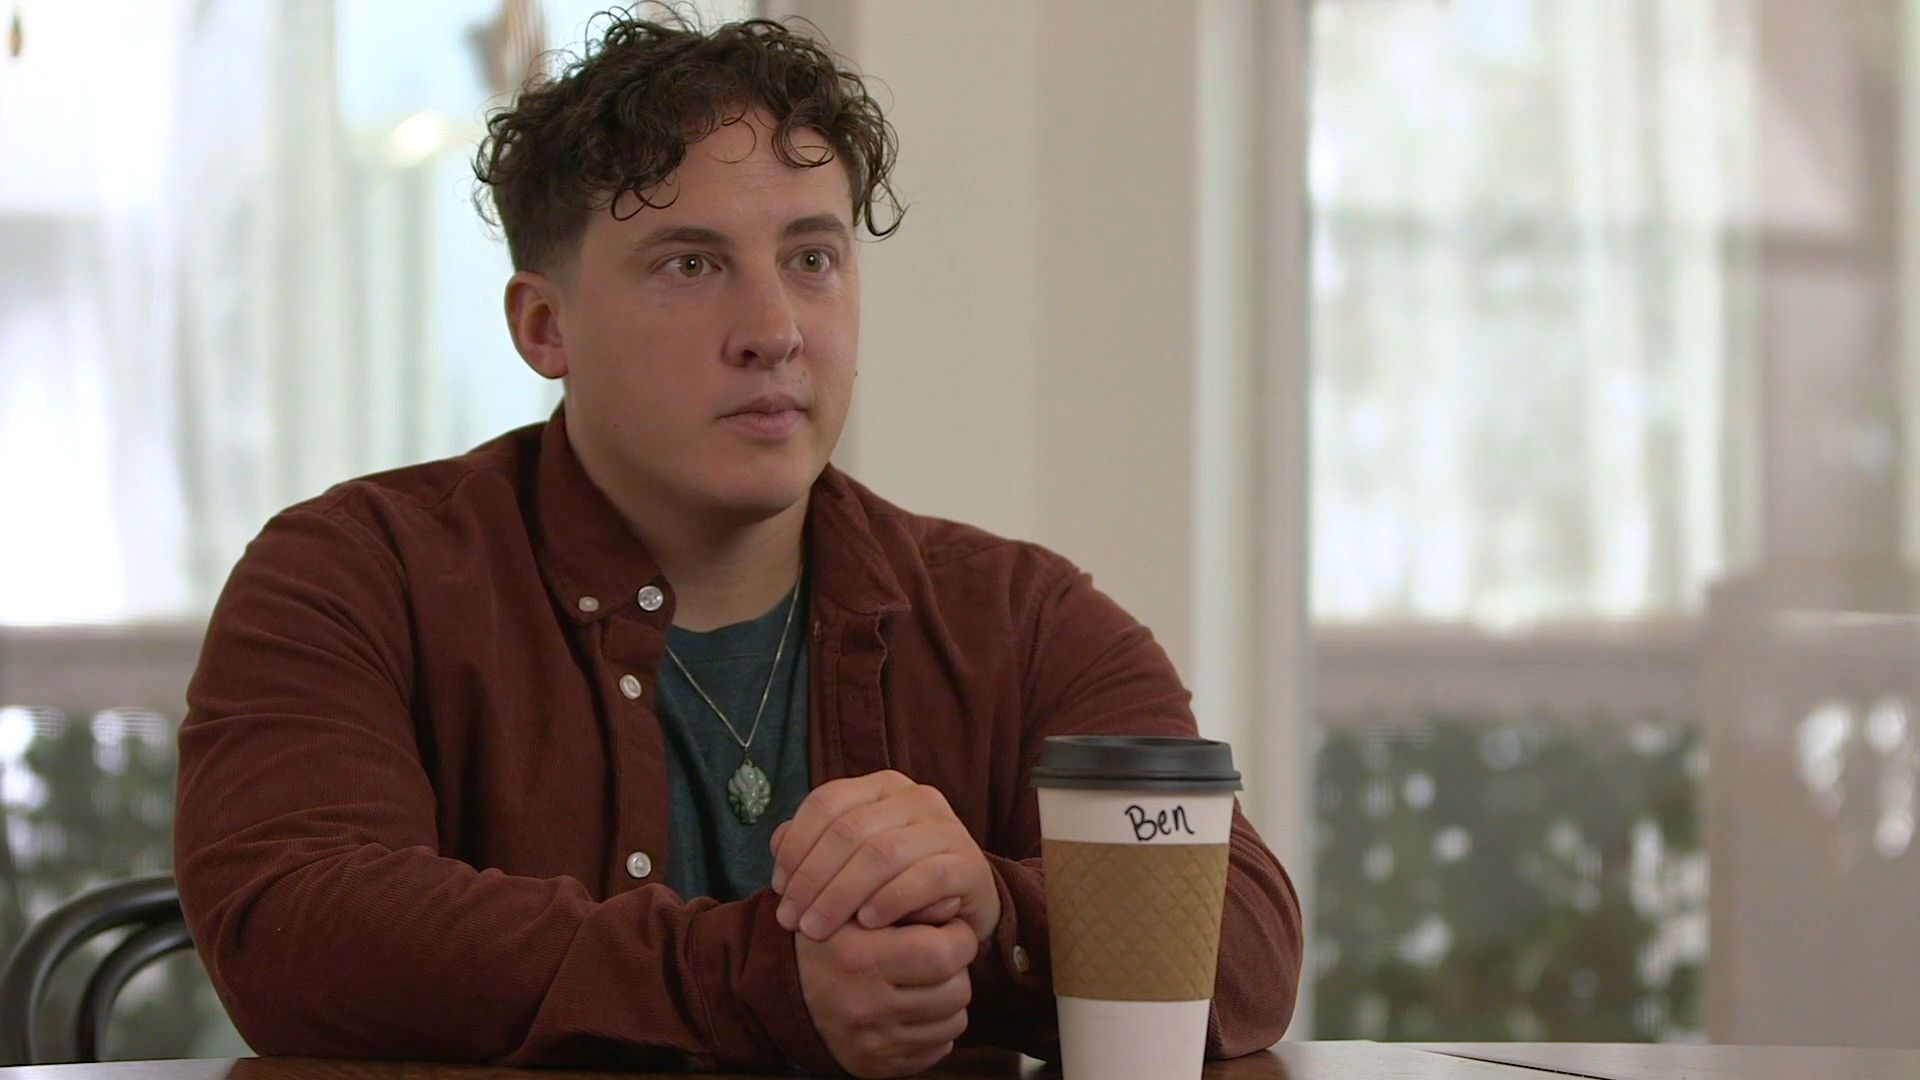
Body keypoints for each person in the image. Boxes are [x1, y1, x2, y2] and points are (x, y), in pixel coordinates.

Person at [172, 10, 1302, 1078]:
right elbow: (293, 925)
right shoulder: (350, 578)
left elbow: (1246, 942)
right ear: (544, 326)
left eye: (812, 259)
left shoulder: (1018, 618)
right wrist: (769, 981)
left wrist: (994, 911)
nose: (774, 331)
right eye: (691, 265)